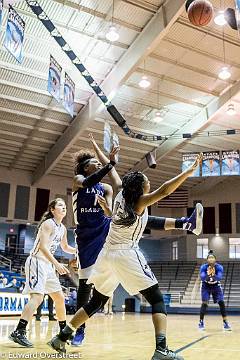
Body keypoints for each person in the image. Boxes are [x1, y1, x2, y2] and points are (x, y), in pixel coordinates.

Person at [48, 154, 202, 359]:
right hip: (126, 252)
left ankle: (62, 336)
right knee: (157, 299)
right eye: (147, 181)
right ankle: (161, 349)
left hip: (107, 254)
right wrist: (189, 171)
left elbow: (150, 219)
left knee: (96, 301)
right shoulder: (140, 201)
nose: (149, 183)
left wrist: (109, 159)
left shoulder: (122, 195)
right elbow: (165, 190)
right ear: (141, 188)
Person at [9, 198, 76, 348]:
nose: (64, 208)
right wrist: (57, 264)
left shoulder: (63, 228)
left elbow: (65, 247)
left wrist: (78, 250)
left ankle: (63, 333)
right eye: (60, 205)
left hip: (47, 265)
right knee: (38, 298)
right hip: (37, 261)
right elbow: (43, 248)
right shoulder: (48, 224)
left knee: (59, 298)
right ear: (52, 209)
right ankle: (19, 331)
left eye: (65, 206)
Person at [198, 250, 231, 331]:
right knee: (204, 303)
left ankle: (225, 322)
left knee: (221, 302)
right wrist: (208, 274)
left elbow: (219, 278)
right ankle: (201, 322)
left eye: (212, 257)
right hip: (206, 285)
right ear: (207, 260)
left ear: (215, 260)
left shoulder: (219, 267)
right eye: (209, 258)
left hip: (216, 285)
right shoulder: (203, 267)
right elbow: (202, 278)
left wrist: (213, 274)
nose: (211, 259)